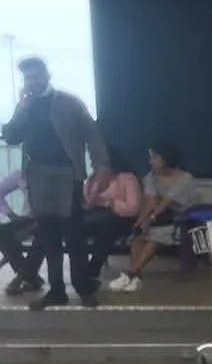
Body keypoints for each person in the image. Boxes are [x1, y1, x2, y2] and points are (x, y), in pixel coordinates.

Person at [0, 56, 106, 309]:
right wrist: (20, 109)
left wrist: (101, 167)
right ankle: (57, 289)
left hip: (67, 175)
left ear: (47, 75)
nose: (33, 81)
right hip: (37, 176)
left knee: (73, 236)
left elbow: (93, 135)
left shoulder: (69, 103)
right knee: (48, 237)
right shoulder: (27, 106)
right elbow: (11, 136)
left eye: (37, 76)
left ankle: (82, 286)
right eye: (28, 78)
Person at [106, 144, 200, 294]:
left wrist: (150, 220)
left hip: (183, 219)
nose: (151, 161)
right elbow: (151, 200)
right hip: (162, 217)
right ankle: (136, 279)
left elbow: (165, 202)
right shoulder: (151, 176)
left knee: (154, 237)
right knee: (138, 236)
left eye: (155, 158)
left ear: (166, 159)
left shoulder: (185, 179)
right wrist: (141, 221)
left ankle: (131, 273)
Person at [82, 152, 143, 281]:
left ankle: (92, 270)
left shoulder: (127, 178)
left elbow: (133, 208)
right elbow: (89, 202)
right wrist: (98, 184)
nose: (93, 165)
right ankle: (79, 268)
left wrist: (109, 203)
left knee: (106, 233)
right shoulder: (93, 178)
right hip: (97, 216)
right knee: (77, 228)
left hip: (122, 218)